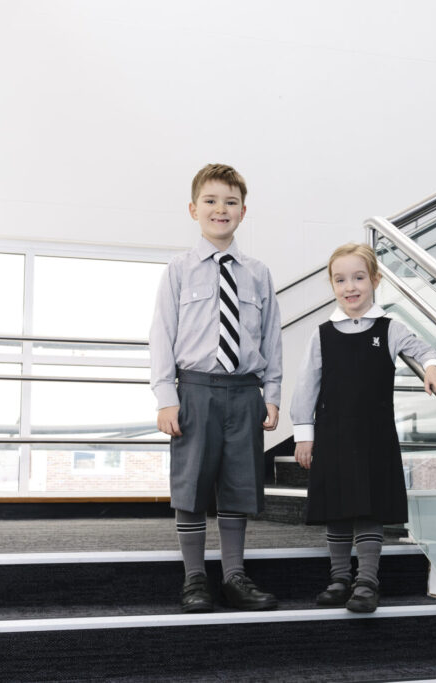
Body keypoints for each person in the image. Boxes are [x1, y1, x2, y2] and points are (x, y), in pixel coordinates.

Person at [150, 163, 282, 613]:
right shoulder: (179, 270)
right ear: (194, 209)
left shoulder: (258, 273)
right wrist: (166, 398)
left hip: (245, 392)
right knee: (191, 486)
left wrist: (272, 393)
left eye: (230, 202)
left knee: (239, 485)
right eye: (210, 201)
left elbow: (271, 338)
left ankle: (234, 577)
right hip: (195, 390)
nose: (220, 209)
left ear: (243, 211)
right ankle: (194, 579)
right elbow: (161, 335)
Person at [291, 242, 436, 613]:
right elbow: (306, 385)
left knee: (368, 508)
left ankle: (367, 581)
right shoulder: (322, 333)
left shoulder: (390, 329)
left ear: (375, 280)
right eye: (341, 280)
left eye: (359, 278)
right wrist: (303, 434)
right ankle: (339, 578)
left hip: (374, 437)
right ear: (332, 285)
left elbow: (424, 349)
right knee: (336, 509)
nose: (350, 287)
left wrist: (432, 367)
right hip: (332, 434)